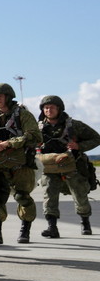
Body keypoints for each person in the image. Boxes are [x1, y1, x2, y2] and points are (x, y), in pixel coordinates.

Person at [0, 83, 42, 244]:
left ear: (9, 97)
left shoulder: (22, 115)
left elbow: (35, 136)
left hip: (21, 165)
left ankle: (25, 229)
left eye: (1, 96)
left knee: (22, 196)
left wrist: (9, 143)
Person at [37, 95, 99, 238]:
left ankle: (85, 223)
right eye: (46, 107)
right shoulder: (38, 127)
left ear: (59, 109)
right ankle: (52, 227)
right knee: (49, 196)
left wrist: (79, 146)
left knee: (80, 196)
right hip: (49, 168)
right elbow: (29, 142)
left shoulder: (73, 125)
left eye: (52, 107)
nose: (49, 110)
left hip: (73, 167)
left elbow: (96, 138)